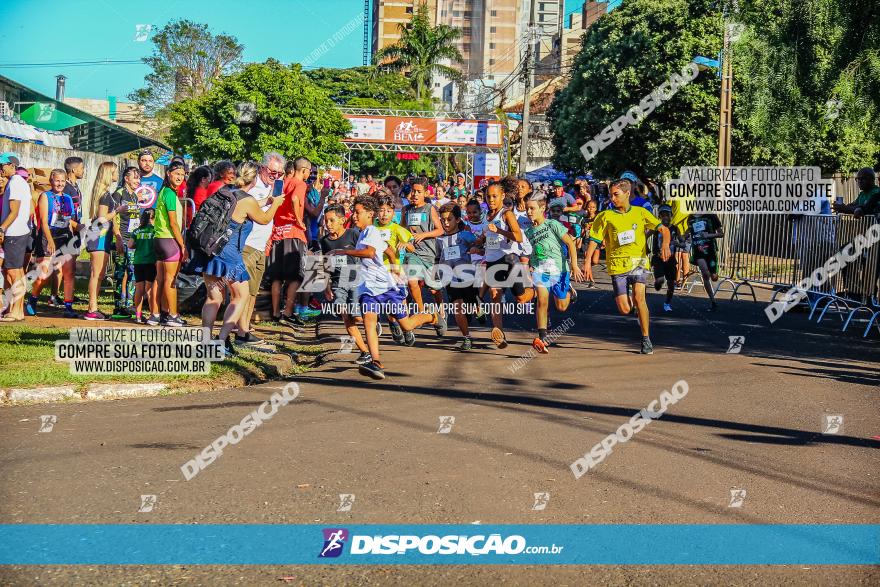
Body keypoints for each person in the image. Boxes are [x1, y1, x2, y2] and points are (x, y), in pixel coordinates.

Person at [327, 194, 439, 380]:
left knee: (407, 324)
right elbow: (387, 249)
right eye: (354, 212)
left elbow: (371, 253)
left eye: (357, 212)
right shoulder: (363, 233)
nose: (354, 216)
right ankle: (376, 362)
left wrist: (343, 251)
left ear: (370, 214)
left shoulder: (371, 230)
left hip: (386, 287)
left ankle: (431, 316)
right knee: (369, 323)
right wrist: (395, 265)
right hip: (368, 289)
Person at [187, 161, 285, 353]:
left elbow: (245, 207)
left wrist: (268, 201)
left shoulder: (226, 191)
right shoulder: (246, 200)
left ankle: (205, 341)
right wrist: (277, 204)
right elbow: (264, 219)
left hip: (210, 250)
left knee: (214, 296)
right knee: (241, 295)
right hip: (229, 254)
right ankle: (222, 341)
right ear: (254, 178)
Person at [583, 179, 671, 355]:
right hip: (617, 265)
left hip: (638, 262)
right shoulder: (605, 216)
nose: (612, 198)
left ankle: (646, 339)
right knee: (624, 309)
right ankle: (631, 306)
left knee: (640, 299)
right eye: (610, 195)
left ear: (627, 193)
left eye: (616, 194)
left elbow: (664, 229)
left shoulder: (640, 213)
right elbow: (595, 240)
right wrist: (587, 263)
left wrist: (665, 245)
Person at [236, 152, 286, 349]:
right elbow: (251, 210)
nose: (275, 176)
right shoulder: (252, 183)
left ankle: (245, 330)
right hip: (246, 244)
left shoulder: (270, 186)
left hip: (260, 245)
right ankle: (240, 332)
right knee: (244, 292)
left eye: (279, 174)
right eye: (273, 172)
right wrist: (271, 202)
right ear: (263, 167)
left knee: (253, 292)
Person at [525, 192, 585, 353]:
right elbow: (532, 252)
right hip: (541, 271)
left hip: (560, 270)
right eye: (527, 209)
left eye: (532, 208)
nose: (529, 212)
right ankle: (542, 338)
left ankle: (569, 293)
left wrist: (574, 265)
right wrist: (530, 266)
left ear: (542, 208)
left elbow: (570, 244)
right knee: (542, 301)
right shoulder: (528, 232)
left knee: (561, 306)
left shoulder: (553, 224)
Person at [480, 181, 535, 348]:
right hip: (492, 261)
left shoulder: (507, 214)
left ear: (503, 196)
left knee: (521, 299)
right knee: (495, 296)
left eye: (494, 196)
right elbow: (487, 237)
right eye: (488, 196)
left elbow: (518, 236)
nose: (491, 199)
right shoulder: (486, 215)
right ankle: (499, 334)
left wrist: (500, 231)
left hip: (509, 260)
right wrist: (475, 245)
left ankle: (534, 291)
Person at [320, 204, 370, 363]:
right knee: (345, 315)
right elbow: (325, 264)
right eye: (326, 221)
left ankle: (372, 324)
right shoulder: (325, 241)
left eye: (332, 220)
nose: (328, 224)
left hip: (356, 280)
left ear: (342, 220)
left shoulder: (353, 234)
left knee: (357, 317)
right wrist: (326, 286)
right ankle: (365, 352)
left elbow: (366, 254)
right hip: (337, 283)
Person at [28, 169, 79, 318]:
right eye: (57, 180)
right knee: (44, 275)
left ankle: (68, 306)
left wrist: (76, 232)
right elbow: (43, 221)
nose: (60, 184)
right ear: (51, 181)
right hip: (48, 236)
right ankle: (33, 298)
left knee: (69, 273)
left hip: (65, 236)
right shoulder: (46, 196)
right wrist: (50, 240)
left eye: (62, 181)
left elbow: (68, 220)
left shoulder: (68, 198)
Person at [268, 156, 312, 326]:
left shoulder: (281, 182)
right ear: (304, 170)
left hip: (277, 232)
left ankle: (275, 313)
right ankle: (287, 313)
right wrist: (299, 220)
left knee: (277, 277)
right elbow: (294, 199)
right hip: (293, 233)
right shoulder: (300, 184)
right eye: (309, 171)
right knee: (295, 277)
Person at [402, 181, 447, 336]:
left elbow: (440, 230)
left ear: (425, 194)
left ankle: (441, 311)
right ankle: (422, 313)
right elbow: (402, 229)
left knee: (434, 289)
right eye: (413, 191)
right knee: (412, 281)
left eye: (419, 191)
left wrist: (423, 234)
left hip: (429, 254)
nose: (415, 194)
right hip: (412, 252)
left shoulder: (429, 209)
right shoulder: (406, 210)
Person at [149, 161, 188, 326]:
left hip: (159, 240)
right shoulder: (170, 194)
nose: (179, 177)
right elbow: (173, 223)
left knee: (160, 279)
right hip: (169, 240)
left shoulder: (163, 191)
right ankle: (172, 315)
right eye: (176, 174)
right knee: (170, 280)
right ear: (168, 174)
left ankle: (157, 314)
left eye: (182, 174)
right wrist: (183, 245)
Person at [436, 203, 478, 350]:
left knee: (469, 308)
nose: (446, 223)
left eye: (450, 219)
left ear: (458, 220)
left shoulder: (465, 235)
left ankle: (477, 308)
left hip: (467, 277)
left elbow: (479, 246)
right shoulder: (439, 239)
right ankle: (466, 338)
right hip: (450, 278)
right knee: (457, 307)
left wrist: (476, 249)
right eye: (443, 220)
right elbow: (437, 258)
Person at [83, 162, 122, 321]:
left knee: (98, 274)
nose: (117, 174)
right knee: (97, 274)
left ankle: (93, 307)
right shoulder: (105, 195)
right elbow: (101, 218)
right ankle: (92, 309)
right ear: (109, 174)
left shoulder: (103, 193)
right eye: (115, 172)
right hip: (98, 235)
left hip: (101, 236)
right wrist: (118, 211)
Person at [375, 193, 413, 343]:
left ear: (393, 212)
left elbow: (412, 247)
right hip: (376, 272)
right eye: (381, 210)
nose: (384, 214)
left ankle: (407, 328)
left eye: (388, 211)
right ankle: (393, 323)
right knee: (386, 302)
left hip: (395, 271)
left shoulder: (397, 228)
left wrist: (405, 244)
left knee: (401, 301)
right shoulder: (371, 227)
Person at [0, 153, 32, 321]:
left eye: (2, 165)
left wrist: (2, 229)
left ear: (12, 165)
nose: (0, 169)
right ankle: (16, 309)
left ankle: (17, 311)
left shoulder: (15, 182)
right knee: (16, 272)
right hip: (17, 232)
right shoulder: (16, 182)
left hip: (14, 233)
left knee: (13, 273)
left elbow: (15, 211)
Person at [110, 166, 142, 318]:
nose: (138, 180)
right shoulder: (118, 194)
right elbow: (114, 217)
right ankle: (118, 306)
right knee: (120, 272)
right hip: (122, 238)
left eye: (139, 178)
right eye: (135, 177)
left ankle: (128, 304)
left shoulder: (135, 196)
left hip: (132, 240)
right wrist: (117, 237)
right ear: (126, 178)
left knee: (132, 272)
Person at [687, 212, 724, 311]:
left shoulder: (711, 216)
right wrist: (683, 238)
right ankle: (713, 301)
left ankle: (714, 273)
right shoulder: (690, 218)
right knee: (705, 273)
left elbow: (721, 233)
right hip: (698, 251)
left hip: (710, 251)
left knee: (714, 277)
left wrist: (709, 235)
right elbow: (688, 232)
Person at [129, 209, 158, 324]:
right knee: (149, 290)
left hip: (138, 262)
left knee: (139, 288)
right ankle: (152, 315)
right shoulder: (155, 230)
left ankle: (138, 315)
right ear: (153, 218)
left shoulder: (137, 231)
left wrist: (139, 244)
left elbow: (130, 244)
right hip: (150, 262)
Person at [652, 205, 682, 312]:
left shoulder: (675, 228)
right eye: (663, 215)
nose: (665, 217)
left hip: (671, 259)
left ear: (671, 216)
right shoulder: (656, 227)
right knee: (660, 281)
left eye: (667, 215)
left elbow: (682, 242)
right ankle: (657, 282)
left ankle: (667, 303)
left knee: (671, 283)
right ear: (659, 216)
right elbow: (645, 236)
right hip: (658, 258)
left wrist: (678, 243)